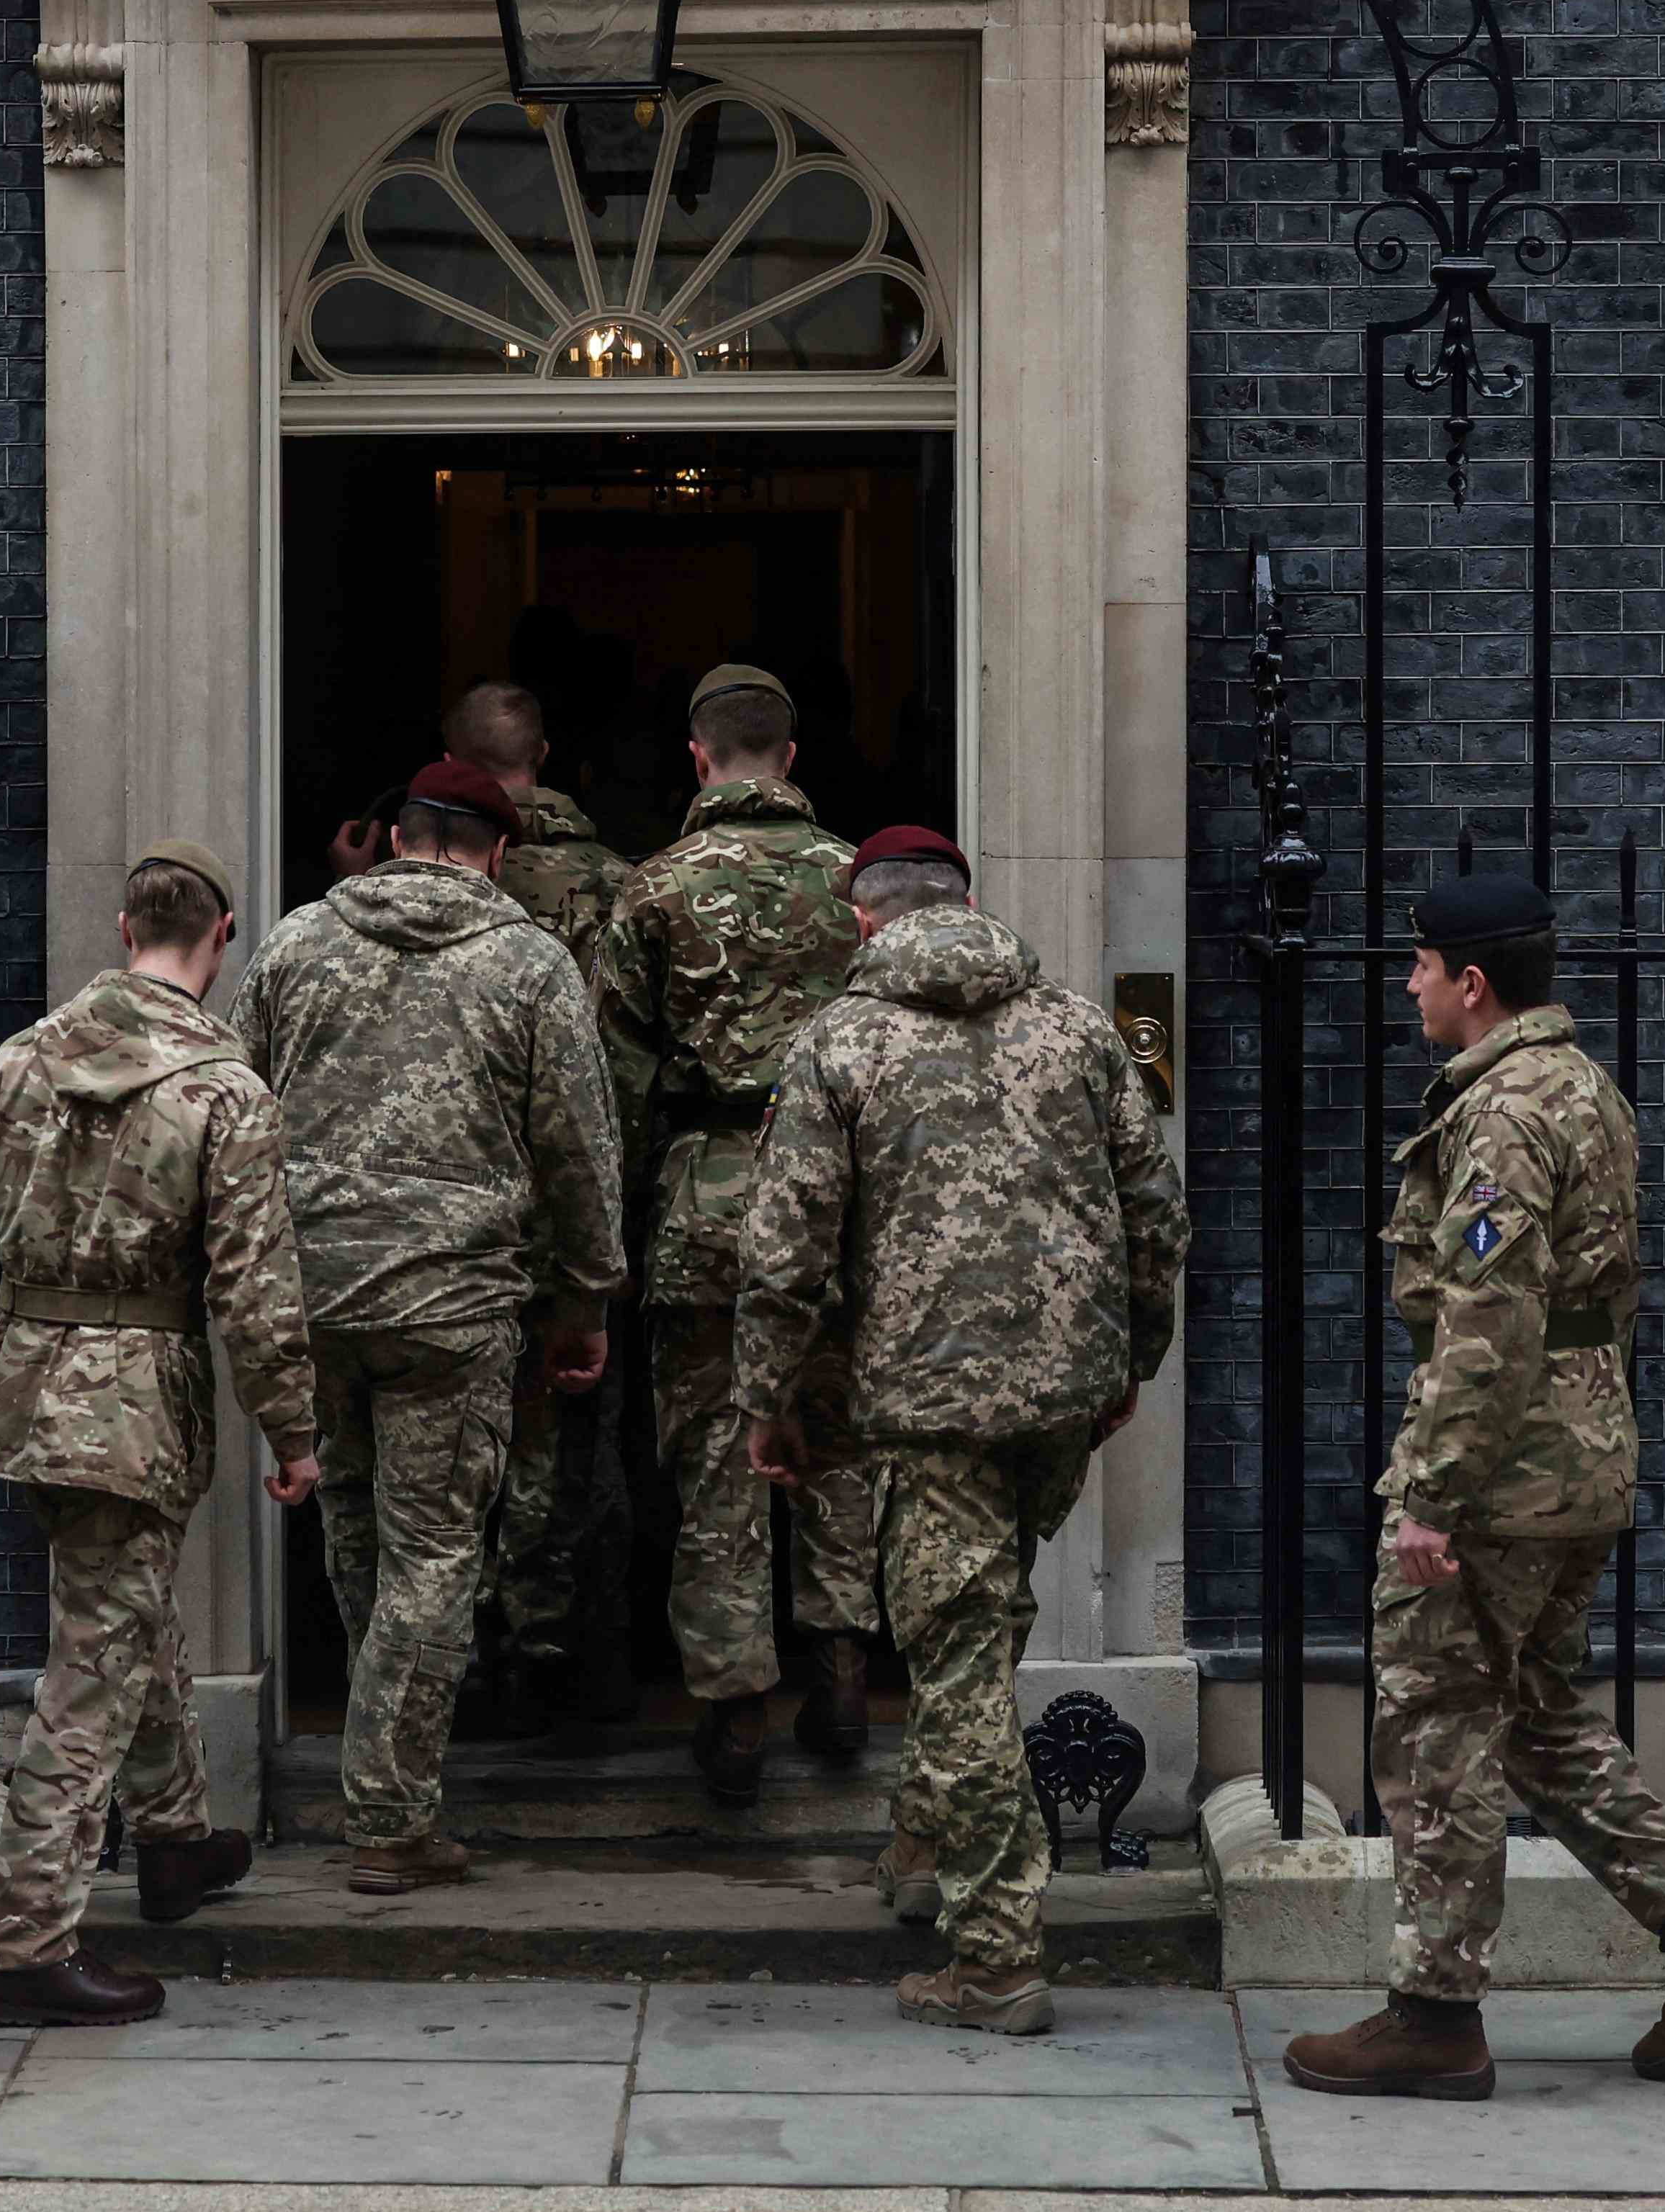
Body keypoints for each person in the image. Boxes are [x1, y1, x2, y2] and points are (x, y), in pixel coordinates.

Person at [1279, 871, 1665, 2102]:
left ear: (1473, 983)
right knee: (1538, 1722)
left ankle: (1434, 2011)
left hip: (1504, 1470)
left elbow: (1490, 1314)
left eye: (1420, 967)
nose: (1407, 983)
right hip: (1580, 1454)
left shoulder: (1505, 1111)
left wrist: (1431, 1496)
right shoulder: (1585, 1087)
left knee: (1437, 1730)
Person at [737, 827, 1185, 2034]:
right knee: (980, 1620)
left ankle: (994, 1958)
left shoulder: (845, 1038)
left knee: (956, 1660)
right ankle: (924, 1847)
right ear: (972, 905)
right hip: (1060, 1396)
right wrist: (1132, 1358)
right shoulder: (1080, 1029)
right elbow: (1156, 1206)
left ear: (864, 917)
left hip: (927, 1401)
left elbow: (784, 1248)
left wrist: (769, 1400)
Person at [0, 840, 323, 2027]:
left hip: (27, 1375)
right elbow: (257, 1284)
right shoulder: (224, 1090)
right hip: (140, 1390)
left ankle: (175, 1844)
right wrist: (293, 1431)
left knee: (124, 1608)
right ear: (223, 936)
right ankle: (26, 1943)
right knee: (92, 1667)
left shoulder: (19, 1061)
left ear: (121, 929)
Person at [236, 755, 625, 1892]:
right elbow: (579, 1151)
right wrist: (584, 1301)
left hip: (312, 1294)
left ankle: (380, 1769)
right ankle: (394, 1815)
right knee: (435, 1553)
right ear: (498, 852)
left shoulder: (295, 945)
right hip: (451, 1304)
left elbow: (233, 1107)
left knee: (355, 1534)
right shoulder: (528, 963)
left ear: (398, 834)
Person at [597, 662, 881, 1802]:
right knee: (839, 1440)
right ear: (793, 759)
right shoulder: (861, 881)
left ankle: (733, 1705)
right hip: (840, 1199)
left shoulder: (654, 890)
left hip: (708, 1191)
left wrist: (601, 1236)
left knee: (716, 1455)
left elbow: (614, 1076)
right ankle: (846, 1662)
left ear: (698, 757)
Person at [453, 681, 639, 1735]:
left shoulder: (413, 887)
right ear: (548, 753)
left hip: (462, 1207)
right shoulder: (620, 883)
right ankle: (568, 1654)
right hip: (580, 1199)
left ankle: (467, 1653)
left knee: (450, 1437)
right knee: (573, 1440)